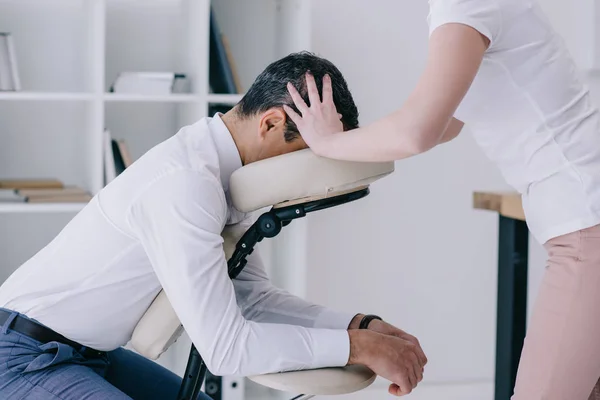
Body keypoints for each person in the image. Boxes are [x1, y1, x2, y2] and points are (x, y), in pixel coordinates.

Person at [0, 52, 427, 400]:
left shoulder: (228, 181)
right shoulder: (185, 183)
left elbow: (252, 300)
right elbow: (225, 349)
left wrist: (358, 326)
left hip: (88, 353)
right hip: (21, 355)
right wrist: (357, 348)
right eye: (313, 153)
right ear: (272, 123)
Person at [283, 1, 600, 399]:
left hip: (586, 225)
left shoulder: (466, 4)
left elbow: (419, 130)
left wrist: (330, 142)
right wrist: (338, 143)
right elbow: (446, 124)